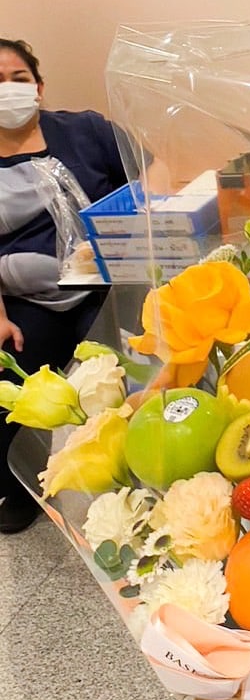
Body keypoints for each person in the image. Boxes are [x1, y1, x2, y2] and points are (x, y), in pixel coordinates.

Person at [0, 38, 131, 533]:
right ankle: (20, 484)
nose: (8, 90)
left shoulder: (86, 131)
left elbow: (148, 172)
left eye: (18, 78)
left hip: (114, 283)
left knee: (139, 374)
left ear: (38, 86)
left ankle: (140, 472)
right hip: (30, 296)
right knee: (11, 387)